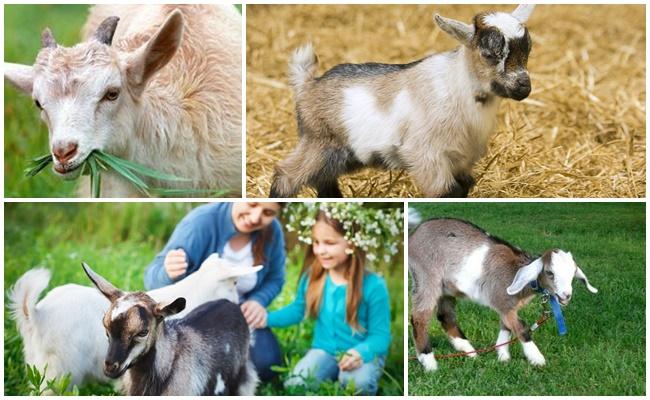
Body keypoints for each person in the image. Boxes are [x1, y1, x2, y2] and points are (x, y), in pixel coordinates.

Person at [144, 202, 285, 381]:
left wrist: (258, 300)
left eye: (268, 212)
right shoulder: (202, 221)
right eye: (252, 204)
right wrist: (167, 272)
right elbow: (151, 277)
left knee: (266, 366)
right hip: (196, 317)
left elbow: (276, 279)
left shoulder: (273, 231)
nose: (256, 217)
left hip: (242, 313)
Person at [257, 209, 391, 395]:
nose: (320, 250)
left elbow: (381, 337)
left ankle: (350, 377)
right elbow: (298, 310)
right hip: (325, 350)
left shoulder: (373, 285)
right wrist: (266, 318)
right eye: (316, 242)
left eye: (329, 243)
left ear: (352, 244)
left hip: (363, 354)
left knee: (357, 384)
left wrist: (361, 353)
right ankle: (332, 373)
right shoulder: (314, 277)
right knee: (296, 384)